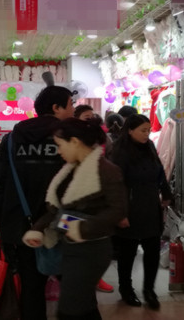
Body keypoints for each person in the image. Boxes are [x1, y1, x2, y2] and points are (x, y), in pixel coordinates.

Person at [22, 118, 127, 320]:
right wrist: (38, 228)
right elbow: (57, 209)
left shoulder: (106, 170)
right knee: (83, 305)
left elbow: (118, 210)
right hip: (69, 246)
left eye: (60, 145)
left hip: (92, 249)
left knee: (71, 308)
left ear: (75, 142)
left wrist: (83, 228)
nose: (58, 151)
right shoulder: (70, 170)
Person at [0, 85, 75, 320]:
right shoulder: (70, 138)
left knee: (31, 288)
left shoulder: (11, 139)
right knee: (74, 285)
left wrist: (0, 225)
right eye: (71, 104)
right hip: (64, 222)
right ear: (56, 107)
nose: (73, 109)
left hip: (22, 224)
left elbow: (2, 184)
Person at [110, 114, 173, 310]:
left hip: (150, 205)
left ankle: (149, 290)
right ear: (130, 130)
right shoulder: (120, 151)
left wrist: (166, 192)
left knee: (152, 250)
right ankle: (126, 289)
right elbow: (115, 185)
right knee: (127, 253)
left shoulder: (150, 147)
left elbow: (160, 171)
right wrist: (120, 213)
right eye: (143, 131)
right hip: (129, 207)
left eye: (148, 130)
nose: (147, 134)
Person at [72, 105, 115, 293]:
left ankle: (96, 278)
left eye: (91, 116)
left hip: (98, 195)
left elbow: (112, 160)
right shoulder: (70, 137)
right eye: (85, 116)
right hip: (75, 197)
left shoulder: (102, 137)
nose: (89, 119)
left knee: (96, 238)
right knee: (75, 237)